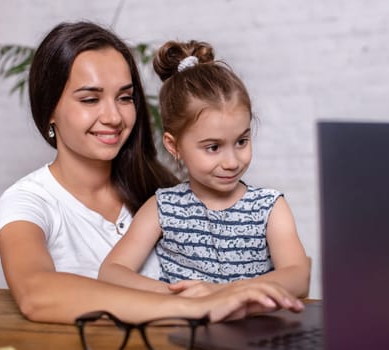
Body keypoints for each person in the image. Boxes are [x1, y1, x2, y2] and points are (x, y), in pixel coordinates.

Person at [0, 21, 304, 325]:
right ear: (49, 108)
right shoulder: (28, 201)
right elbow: (36, 292)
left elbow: (295, 274)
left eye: (125, 97)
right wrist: (194, 305)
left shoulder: (161, 190)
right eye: (90, 99)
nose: (113, 116)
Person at [98, 40, 310, 298]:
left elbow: (298, 277)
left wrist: (223, 293)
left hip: (254, 333)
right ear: (174, 146)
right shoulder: (163, 207)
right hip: (183, 330)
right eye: (213, 147)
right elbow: (111, 271)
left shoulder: (268, 207)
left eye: (241, 141)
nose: (232, 161)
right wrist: (177, 293)